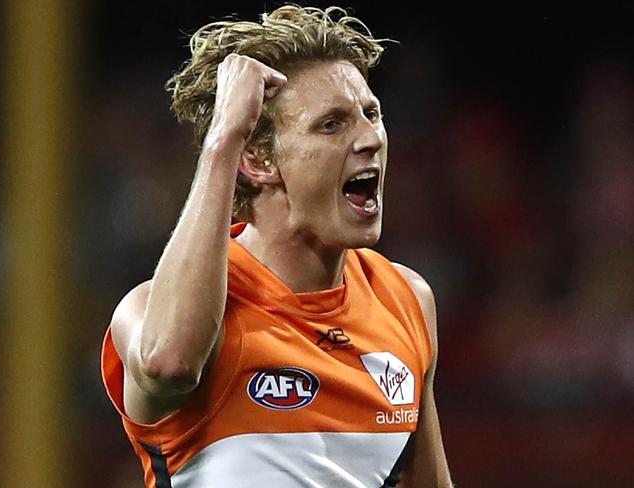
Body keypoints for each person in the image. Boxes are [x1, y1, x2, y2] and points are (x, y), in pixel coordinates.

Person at [101, 5, 453, 487]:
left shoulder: (407, 300)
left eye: (371, 114)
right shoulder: (151, 312)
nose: (370, 138)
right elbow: (169, 364)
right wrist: (224, 138)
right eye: (331, 124)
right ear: (258, 160)